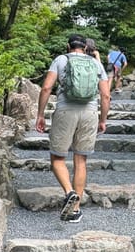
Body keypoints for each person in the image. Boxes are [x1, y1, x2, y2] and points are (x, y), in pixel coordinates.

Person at [35, 34, 110, 223]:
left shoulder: (61, 59)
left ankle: (69, 192)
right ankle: (75, 210)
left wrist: (40, 115)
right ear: (85, 48)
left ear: (68, 46)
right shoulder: (96, 64)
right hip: (90, 113)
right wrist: (103, 120)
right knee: (81, 160)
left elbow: (46, 88)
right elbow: (106, 95)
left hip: (65, 112)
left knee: (57, 158)